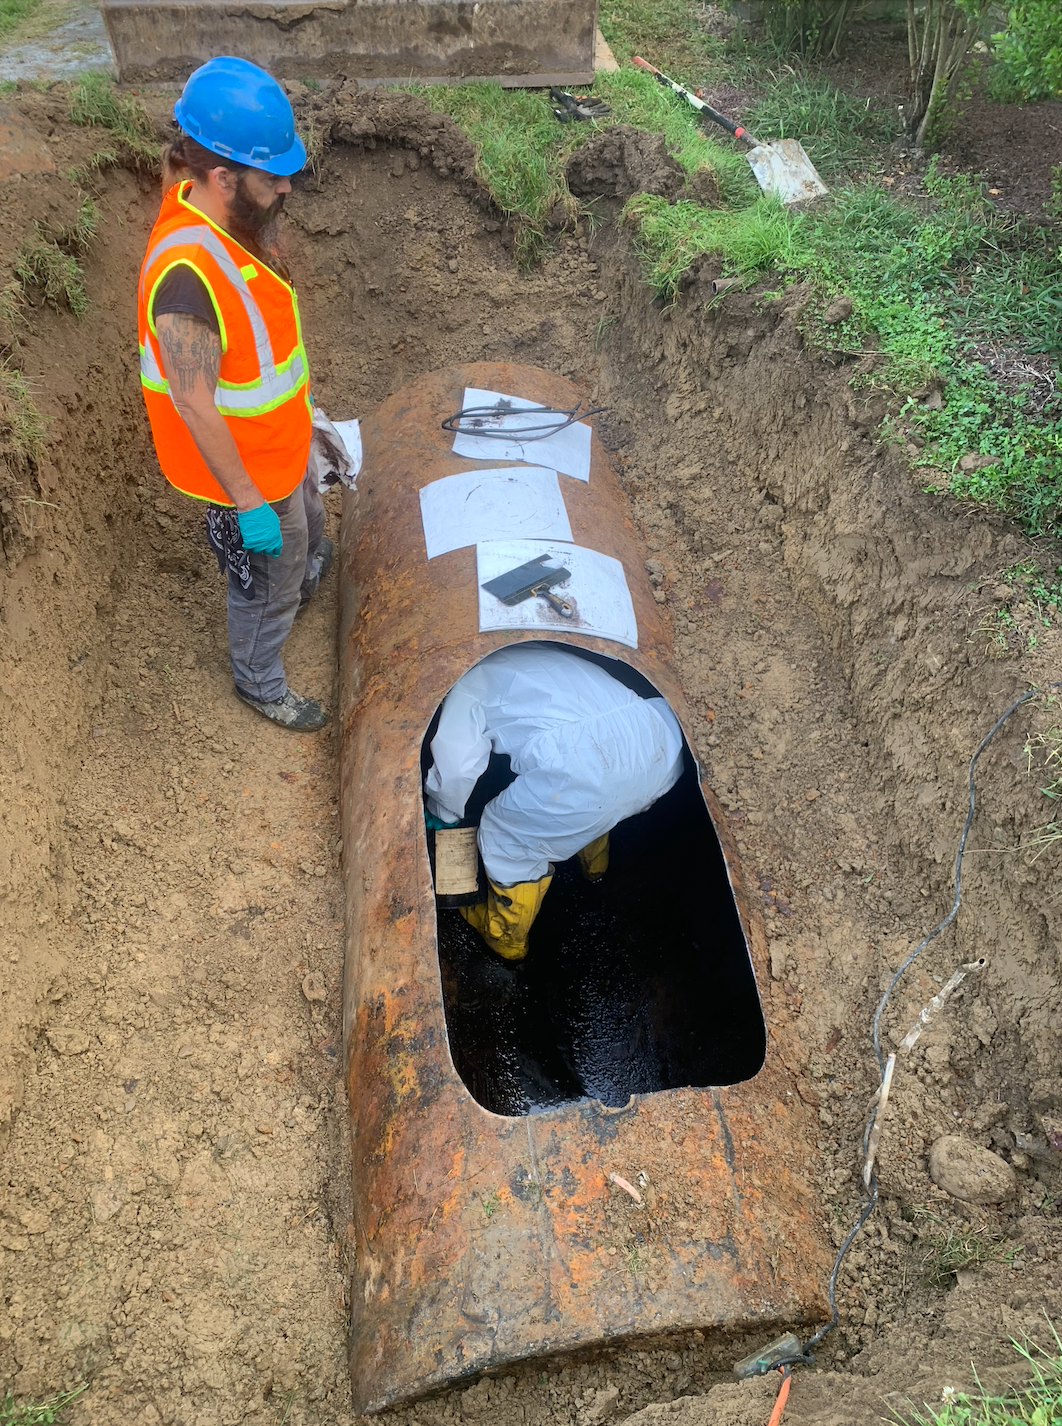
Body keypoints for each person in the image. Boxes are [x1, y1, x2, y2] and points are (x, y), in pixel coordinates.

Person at [137, 55, 332, 731]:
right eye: (271, 176)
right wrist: (249, 503)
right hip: (244, 474)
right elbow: (193, 401)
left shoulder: (221, 216)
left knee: (304, 532)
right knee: (266, 575)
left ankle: (302, 565)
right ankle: (257, 677)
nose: (285, 188)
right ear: (223, 176)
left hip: (279, 446)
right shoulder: (187, 278)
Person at [424, 643, 685, 961]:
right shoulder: (534, 653)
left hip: (582, 772)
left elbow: (456, 768)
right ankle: (594, 866)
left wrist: (444, 811)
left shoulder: (468, 684)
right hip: (657, 745)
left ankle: (506, 937)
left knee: (504, 835)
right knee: (598, 805)